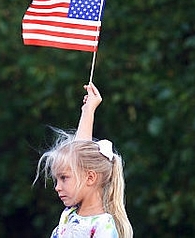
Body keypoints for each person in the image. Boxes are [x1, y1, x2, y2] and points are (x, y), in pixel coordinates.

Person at [35, 82, 133, 238]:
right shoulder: (70, 214)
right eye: (57, 180)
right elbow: (79, 153)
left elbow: (79, 159)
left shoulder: (103, 227)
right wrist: (88, 110)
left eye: (64, 178)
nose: (57, 187)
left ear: (90, 177)